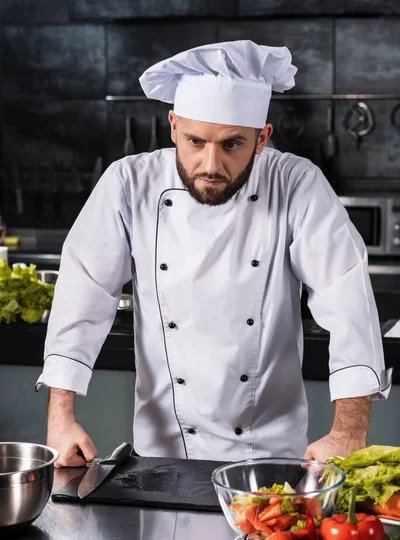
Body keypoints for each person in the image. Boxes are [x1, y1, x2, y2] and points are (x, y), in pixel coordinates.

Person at [36, 40, 392, 468]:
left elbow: (346, 297)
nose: (211, 164)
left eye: (231, 145)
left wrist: (349, 431)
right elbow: (83, 293)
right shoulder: (130, 183)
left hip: (268, 456)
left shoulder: (295, 184)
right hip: (161, 455)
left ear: (262, 139)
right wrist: (61, 417)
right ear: (172, 126)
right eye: (195, 141)